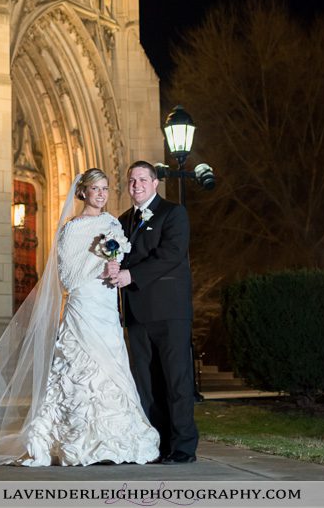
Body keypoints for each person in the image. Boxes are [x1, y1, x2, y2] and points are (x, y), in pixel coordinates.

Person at [0, 168, 159, 467]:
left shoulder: (113, 223)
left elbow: (121, 259)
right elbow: (68, 275)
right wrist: (100, 268)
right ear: (83, 192)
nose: (101, 193)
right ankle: (74, 439)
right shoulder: (72, 229)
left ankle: (116, 439)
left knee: (112, 366)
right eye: (96, 188)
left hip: (107, 307)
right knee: (77, 368)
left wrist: (114, 267)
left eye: (106, 188)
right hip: (84, 304)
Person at [108, 160, 199, 464]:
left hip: (169, 312)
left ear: (155, 182)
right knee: (146, 384)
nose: (137, 185)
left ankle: (184, 447)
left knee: (176, 380)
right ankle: (157, 445)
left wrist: (131, 276)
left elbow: (170, 254)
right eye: (132, 181)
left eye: (143, 180)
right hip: (136, 313)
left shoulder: (173, 213)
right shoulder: (121, 221)